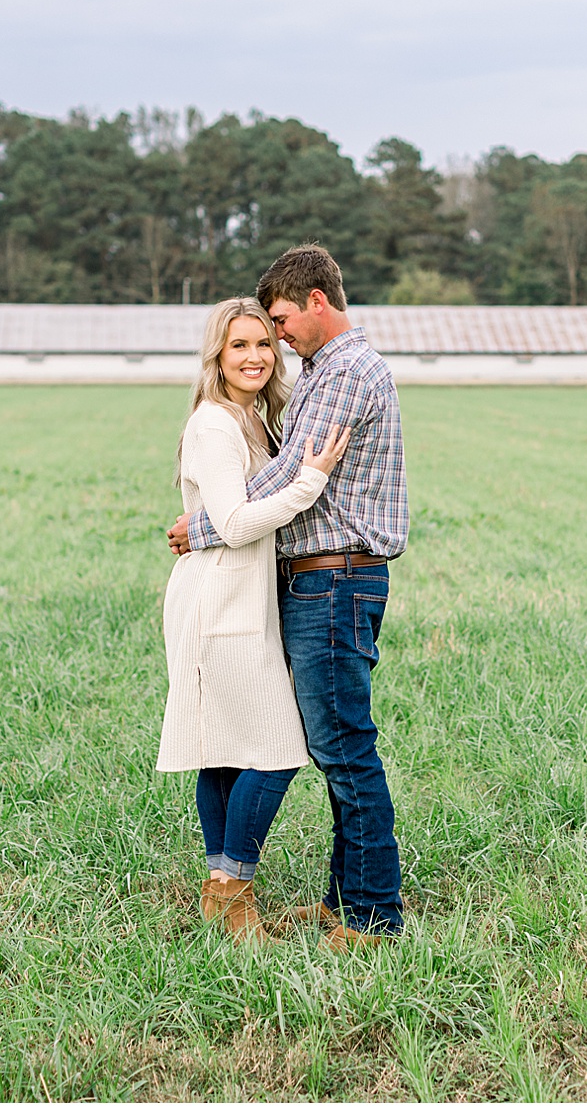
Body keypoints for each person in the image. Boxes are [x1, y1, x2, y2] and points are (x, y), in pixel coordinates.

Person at [169, 244, 409, 952]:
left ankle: (369, 914)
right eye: (250, 335)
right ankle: (345, 903)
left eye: (277, 322)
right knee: (334, 748)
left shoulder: (340, 374)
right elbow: (281, 474)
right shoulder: (322, 371)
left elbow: (286, 478)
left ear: (316, 302)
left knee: (341, 749)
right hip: (316, 577)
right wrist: (218, 524)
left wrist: (203, 528)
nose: (275, 340)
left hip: (333, 577)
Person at [157, 296, 350, 944]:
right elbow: (237, 522)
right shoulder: (214, 424)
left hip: (240, 599)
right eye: (239, 345)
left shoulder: (253, 420)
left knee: (226, 752)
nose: (255, 356)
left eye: (264, 343)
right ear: (218, 354)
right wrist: (310, 481)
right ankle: (232, 886)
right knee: (275, 750)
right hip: (218, 603)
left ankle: (221, 891)